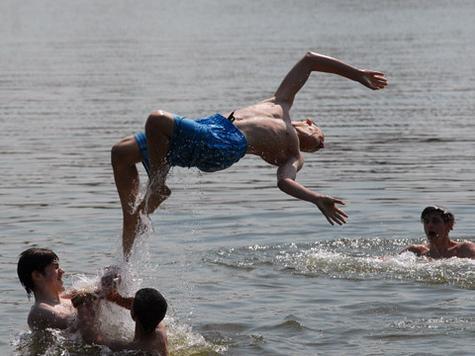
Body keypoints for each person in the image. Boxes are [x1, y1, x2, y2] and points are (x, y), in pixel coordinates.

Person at [111, 51, 388, 255]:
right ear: (310, 122)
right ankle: (129, 242)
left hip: (225, 145)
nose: (320, 145)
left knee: (157, 119)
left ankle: (157, 186)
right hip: (210, 125)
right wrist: (358, 74)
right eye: (321, 139)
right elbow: (310, 60)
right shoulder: (280, 102)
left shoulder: (292, 154)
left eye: (319, 148)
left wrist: (314, 198)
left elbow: (285, 182)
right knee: (121, 153)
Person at [17, 248, 124, 331]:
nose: (62, 271)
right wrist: (100, 295)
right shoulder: (38, 312)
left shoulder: (67, 296)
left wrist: (108, 279)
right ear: (37, 275)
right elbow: (79, 326)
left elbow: (94, 288)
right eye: (55, 267)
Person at [76, 287, 169, 355]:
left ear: (133, 314)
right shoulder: (161, 333)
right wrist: (115, 298)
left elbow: (90, 338)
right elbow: (146, 309)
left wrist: (81, 304)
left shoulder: (130, 349)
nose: (131, 302)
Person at [401, 206, 475, 259]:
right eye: (426, 221)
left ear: (449, 225)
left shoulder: (464, 249)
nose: (429, 225)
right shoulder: (416, 251)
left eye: (435, 221)